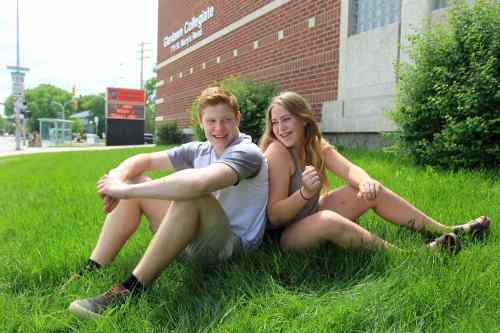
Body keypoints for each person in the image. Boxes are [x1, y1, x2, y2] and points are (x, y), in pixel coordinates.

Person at [69, 87, 268, 319]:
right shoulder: (199, 149)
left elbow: (199, 184)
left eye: (226, 120)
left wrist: (125, 191)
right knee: (135, 178)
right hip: (197, 236)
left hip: (230, 247)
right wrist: (117, 178)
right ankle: (91, 268)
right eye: (211, 121)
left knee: (191, 196)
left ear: (238, 119)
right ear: (200, 122)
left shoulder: (247, 152)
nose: (219, 128)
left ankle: (130, 291)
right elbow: (144, 160)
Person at [260, 91, 490, 253]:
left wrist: (366, 181)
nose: (280, 128)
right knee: (327, 219)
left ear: (303, 120)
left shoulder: (313, 144)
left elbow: (349, 168)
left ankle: (448, 230)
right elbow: (274, 216)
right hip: (284, 237)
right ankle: (411, 256)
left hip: (308, 215)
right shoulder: (278, 152)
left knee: (370, 190)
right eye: (275, 122)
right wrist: (304, 193)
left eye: (286, 119)